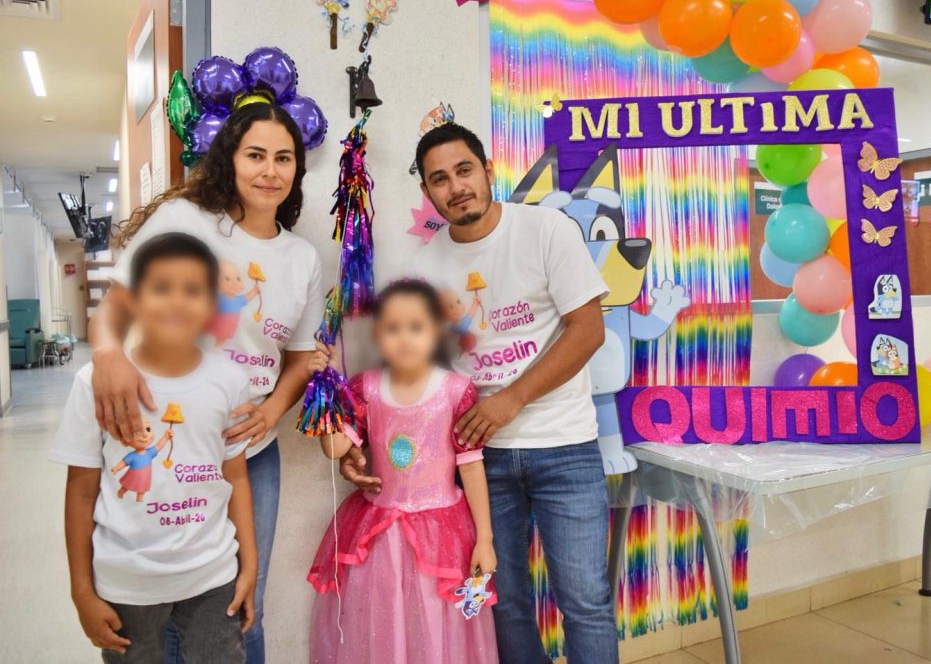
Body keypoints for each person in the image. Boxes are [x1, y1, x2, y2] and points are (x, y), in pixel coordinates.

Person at [340, 123, 618, 663]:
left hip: (564, 446)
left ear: (488, 170)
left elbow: (588, 330)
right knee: (502, 601)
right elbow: (417, 377)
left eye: (464, 170)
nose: (456, 187)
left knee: (585, 601)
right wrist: (362, 440)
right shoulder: (424, 268)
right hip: (478, 461)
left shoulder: (546, 229)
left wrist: (511, 399)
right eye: (440, 179)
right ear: (427, 190)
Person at [89, 102, 326, 663]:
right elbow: (118, 301)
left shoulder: (302, 258)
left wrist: (270, 412)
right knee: (167, 606)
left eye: (283, 158)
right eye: (255, 155)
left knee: (243, 603)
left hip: (249, 451)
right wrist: (106, 355)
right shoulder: (187, 221)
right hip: (166, 439)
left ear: (297, 169)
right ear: (230, 160)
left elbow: (300, 358)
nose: (270, 171)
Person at [51, 233, 257, 663]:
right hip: (126, 582)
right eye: (161, 288)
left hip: (212, 575)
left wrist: (249, 565)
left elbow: (235, 476)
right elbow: (81, 491)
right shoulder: (94, 384)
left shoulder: (230, 381)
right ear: (131, 299)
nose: (176, 302)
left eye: (192, 290)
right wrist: (81, 591)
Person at [309, 280, 499, 663]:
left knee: (434, 619)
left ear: (436, 332)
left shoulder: (455, 391)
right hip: (381, 536)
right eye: (393, 328)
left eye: (416, 327)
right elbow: (334, 449)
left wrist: (485, 539)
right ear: (377, 335)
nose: (405, 338)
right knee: (383, 621)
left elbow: (471, 466)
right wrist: (324, 387)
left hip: (442, 533)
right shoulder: (366, 388)